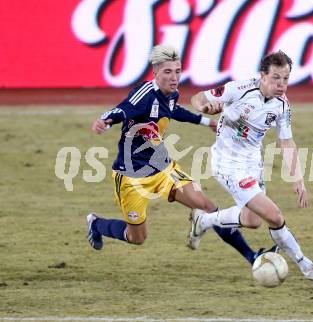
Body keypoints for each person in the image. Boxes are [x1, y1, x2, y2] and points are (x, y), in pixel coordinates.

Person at [87, 44, 275, 265]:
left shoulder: (172, 94)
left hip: (164, 169)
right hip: (131, 178)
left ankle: (251, 256)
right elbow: (124, 108)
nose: (174, 77)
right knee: (137, 237)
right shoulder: (145, 95)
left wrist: (207, 122)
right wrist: (106, 120)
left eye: (177, 71)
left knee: (207, 207)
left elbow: (174, 111)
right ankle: (96, 224)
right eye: (167, 72)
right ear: (155, 72)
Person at [188, 50, 313, 283]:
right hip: (228, 164)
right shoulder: (238, 89)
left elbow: (286, 142)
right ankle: (307, 267)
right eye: (276, 78)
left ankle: (204, 220)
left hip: (252, 163)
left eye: (285, 78)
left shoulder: (282, 106)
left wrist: (298, 179)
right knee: (274, 217)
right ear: (262, 76)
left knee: (252, 220)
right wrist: (204, 107)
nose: (281, 84)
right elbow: (197, 97)